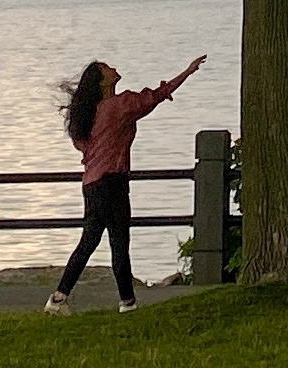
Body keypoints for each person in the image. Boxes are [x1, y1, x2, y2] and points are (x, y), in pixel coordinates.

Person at [46, 52, 205, 312]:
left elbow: (83, 146)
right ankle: (127, 302)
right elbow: (154, 97)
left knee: (88, 243)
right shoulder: (120, 106)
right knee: (119, 242)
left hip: (91, 185)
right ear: (102, 82)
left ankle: (59, 298)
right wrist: (187, 72)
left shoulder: (87, 116)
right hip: (112, 183)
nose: (113, 68)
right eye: (107, 68)